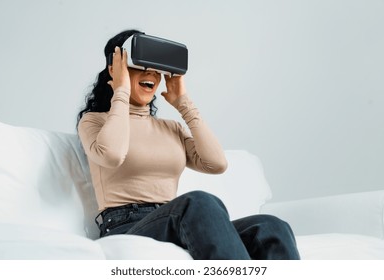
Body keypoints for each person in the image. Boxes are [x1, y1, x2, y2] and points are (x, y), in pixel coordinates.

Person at [76, 29, 300, 260]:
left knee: (270, 226)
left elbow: (216, 163)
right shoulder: (95, 121)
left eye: (156, 68)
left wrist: (183, 103)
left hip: (176, 218)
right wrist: (121, 90)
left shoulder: (171, 128)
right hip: (125, 226)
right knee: (200, 202)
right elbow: (112, 155)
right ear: (116, 69)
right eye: (139, 65)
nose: (151, 73)